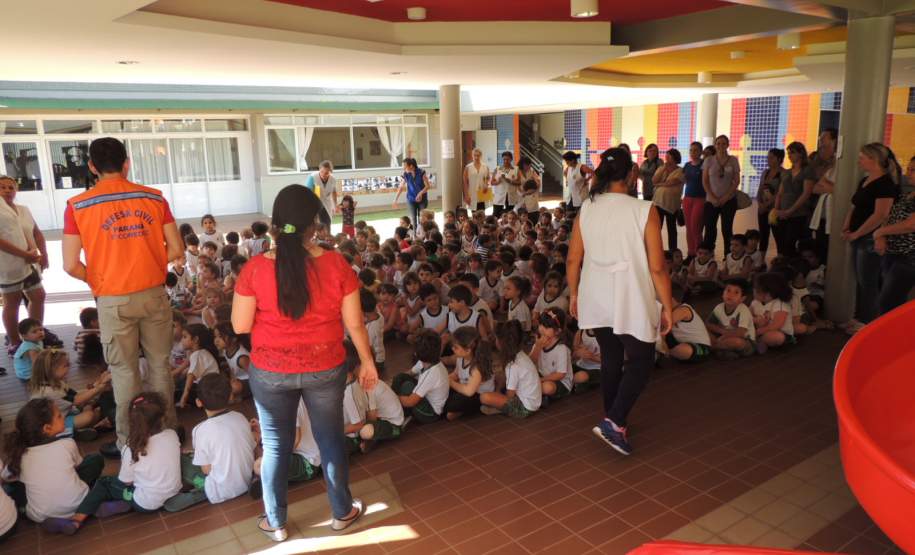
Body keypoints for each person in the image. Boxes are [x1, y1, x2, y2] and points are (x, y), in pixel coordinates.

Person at [232, 184, 378, 542]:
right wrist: (367, 361)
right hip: (325, 366)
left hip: (270, 371)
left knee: (276, 445)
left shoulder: (254, 269)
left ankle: (275, 522)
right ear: (315, 223)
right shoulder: (336, 263)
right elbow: (355, 323)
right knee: (330, 440)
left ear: (276, 223)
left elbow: (239, 325)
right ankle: (342, 512)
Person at [62, 137, 183, 459]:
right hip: (154, 294)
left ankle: (130, 441)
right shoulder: (154, 198)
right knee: (159, 365)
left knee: (124, 372)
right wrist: (152, 267)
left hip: (112, 300)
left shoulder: (78, 206)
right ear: (127, 162)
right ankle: (166, 430)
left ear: (91, 166)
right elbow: (177, 249)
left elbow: (71, 265)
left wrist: (102, 278)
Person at [566, 147, 673, 456]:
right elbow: (657, 267)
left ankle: (614, 416)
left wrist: (574, 294)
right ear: (632, 175)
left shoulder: (587, 207)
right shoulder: (644, 209)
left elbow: (573, 259)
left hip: (596, 292)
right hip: (630, 294)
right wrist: (667, 306)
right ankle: (615, 420)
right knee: (641, 359)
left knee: (612, 356)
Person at [41, 392, 183, 535]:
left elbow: (125, 482)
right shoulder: (171, 434)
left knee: (105, 483)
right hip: (173, 491)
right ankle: (122, 504)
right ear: (163, 416)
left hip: (145, 503)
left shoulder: (131, 449)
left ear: (132, 421)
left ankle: (77, 520)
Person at [1, 399, 105, 529]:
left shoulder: (19, 455)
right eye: (59, 416)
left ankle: (35, 513)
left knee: (11, 487)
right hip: (81, 503)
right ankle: (90, 508)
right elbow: (78, 466)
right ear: (47, 428)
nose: (63, 417)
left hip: (40, 516)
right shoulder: (67, 444)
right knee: (95, 460)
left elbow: (4, 477)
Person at [169, 373, 256, 511]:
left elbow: (206, 469)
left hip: (219, 490)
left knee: (180, 460)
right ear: (231, 396)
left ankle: (201, 490)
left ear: (198, 402)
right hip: (246, 481)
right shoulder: (241, 417)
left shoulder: (200, 430)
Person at [842, 143, 901, 332]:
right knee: (860, 279)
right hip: (858, 235)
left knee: (868, 281)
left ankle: (867, 323)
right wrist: (847, 226)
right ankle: (859, 317)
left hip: (869, 238)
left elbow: (881, 215)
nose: (859, 161)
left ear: (873, 159)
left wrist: (858, 233)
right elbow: (855, 206)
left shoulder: (885, 184)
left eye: (862, 157)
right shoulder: (865, 180)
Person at [0, 175, 48, 357]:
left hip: (30, 265)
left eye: (10, 187)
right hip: (9, 266)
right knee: (12, 303)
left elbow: (37, 233)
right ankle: (14, 342)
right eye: (2, 187)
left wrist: (44, 254)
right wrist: (24, 255)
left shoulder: (23, 209)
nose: (7, 191)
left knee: (38, 296)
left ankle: (33, 335)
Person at [479, 320, 541, 417]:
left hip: (525, 407)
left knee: (484, 397)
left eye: (496, 339)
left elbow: (510, 395)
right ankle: (498, 398)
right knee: (499, 377)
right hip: (532, 401)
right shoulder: (520, 355)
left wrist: (498, 397)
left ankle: (500, 409)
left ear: (500, 343)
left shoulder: (513, 366)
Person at [873, 181, 915, 315]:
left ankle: (889, 334)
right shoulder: (906, 195)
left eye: (913, 170)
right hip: (892, 252)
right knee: (889, 299)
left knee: (888, 301)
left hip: (909, 255)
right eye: (909, 168)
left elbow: (910, 225)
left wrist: (880, 232)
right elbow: (889, 217)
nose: (909, 172)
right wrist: (881, 236)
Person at [392, 329, 449, 424]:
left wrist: (393, 398)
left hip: (431, 414)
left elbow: (410, 401)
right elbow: (409, 373)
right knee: (400, 377)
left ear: (416, 354)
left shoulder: (432, 373)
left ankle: (397, 411)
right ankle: (395, 408)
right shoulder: (427, 361)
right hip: (424, 399)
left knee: (407, 386)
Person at [773, 142, 816, 257]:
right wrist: (776, 210)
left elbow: (806, 193)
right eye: (788, 153)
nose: (789, 155)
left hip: (798, 213)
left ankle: (792, 268)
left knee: (791, 242)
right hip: (783, 212)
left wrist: (790, 211)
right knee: (782, 243)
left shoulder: (807, 171)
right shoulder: (786, 172)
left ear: (801, 153)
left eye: (792, 152)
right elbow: (780, 193)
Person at [444, 326, 495, 420]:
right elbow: (456, 374)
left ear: (468, 350)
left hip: (477, 394)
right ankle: (454, 409)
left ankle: (478, 408)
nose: (452, 349)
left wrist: (450, 382)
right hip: (465, 389)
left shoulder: (477, 368)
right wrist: (445, 379)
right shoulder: (460, 359)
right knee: (443, 392)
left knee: (451, 405)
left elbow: (469, 391)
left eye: (456, 347)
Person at [702, 135, 741, 254]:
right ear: (715, 145)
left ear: (728, 145)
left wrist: (726, 197)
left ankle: (728, 255)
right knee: (709, 229)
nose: (721, 146)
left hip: (728, 200)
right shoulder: (709, 160)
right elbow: (705, 181)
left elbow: (736, 181)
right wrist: (712, 197)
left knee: (727, 229)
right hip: (711, 200)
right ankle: (707, 254)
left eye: (724, 143)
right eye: (718, 143)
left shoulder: (733, 160)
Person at [706, 278, 756, 359]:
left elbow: (741, 332)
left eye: (736, 292)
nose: (730, 295)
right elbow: (708, 324)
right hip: (723, 336)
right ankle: (723, 350)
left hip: (745, 341)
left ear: (742, 298)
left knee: (737, 342)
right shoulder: (719, 307)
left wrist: (724, 336)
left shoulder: (743, 310)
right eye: (728, 290)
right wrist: (722, 331)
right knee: (705, 331)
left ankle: (713, 347)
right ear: (723, 293)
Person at [531, 308, 573, 400]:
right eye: (541, 324)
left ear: (557, 331)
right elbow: (530, 362)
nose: (541, 328)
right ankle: (537, 394)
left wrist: (539, 380)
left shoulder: (562, 348)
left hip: (561, 382)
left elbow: (560, 375)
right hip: (542, 375)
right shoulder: (539, 342)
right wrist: (537, 347)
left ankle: (535, 393)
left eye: (546, 327)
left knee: (547, 387)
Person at [809, 128, 838, 259]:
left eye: (823, 139)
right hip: (821, 214)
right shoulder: (819, 162)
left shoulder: (840, 165)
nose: (820, 142)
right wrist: (831, 187)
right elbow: (815, 188)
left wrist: (829, 186)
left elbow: (842, 191)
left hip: (836, 217)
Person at [750, 272, 795, 354]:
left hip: (781, 333)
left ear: (767, 293)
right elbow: (748, 315)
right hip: (761, 331)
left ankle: (757, 341)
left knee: (777, 337)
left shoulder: (780, 304)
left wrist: (758, 331)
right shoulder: (755, 302)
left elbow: (777, 325)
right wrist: (755, 319)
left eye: (756, 289)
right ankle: (758, 342)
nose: (753, 290)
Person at [652, 148, 686, 251]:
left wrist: (659, 185)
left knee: (671, 228)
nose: (666, 158)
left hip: (671, 204)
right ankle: (656, 250)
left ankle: (673, 250)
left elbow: (673, 182)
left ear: (675, 157)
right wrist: (663, 169)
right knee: (657, 228)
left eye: (669, 156)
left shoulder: (680, 170)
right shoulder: (662, 168)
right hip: (658, 202)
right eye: (666, 155)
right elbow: (654, 180)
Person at [758, 148, 787, 258]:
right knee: (763, 234)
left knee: (778, 234)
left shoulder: (784, 173)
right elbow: (760, 189)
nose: (768, 159)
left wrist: (767, 205)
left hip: (775, 209)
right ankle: (760, 260)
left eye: (771, 157)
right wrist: (760, 204)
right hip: (763, 208)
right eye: (768, 157)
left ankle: (780, 258)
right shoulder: (765, 172)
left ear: (779, 159)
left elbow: (780, 193)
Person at [682, 142, 706, 260]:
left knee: (695, 227)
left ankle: (699, 254)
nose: (693, 152)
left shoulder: (704, 164)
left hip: (700, 199)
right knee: (688, 227)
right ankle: (691, 253)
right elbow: (684, 181)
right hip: (687, 198)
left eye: (696, 150)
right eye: (691, 150)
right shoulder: (687, 165)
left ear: (701, 152)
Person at [393, 158, 431, 230]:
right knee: (413, 219)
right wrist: (395, 200)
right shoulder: (406, 174)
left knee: (422, 218)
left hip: (422, 199)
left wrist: (420, 193)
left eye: (405, 166)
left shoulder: (421, 172)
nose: (403, 168)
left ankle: (422, 234)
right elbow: (401, 187)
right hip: (411, 199)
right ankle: (414, 236)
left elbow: (428, 186)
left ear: (411, 166)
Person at [562, 151, 593, 216]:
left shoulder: (582, 167)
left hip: (581, 196)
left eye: (567, 161)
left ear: (572, 160)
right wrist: (567, 180)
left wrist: (587, 180)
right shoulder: (568, 168)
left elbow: (594, 173)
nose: (566, 163)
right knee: (569, 215)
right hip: (571, 196)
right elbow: (565, 173)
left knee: (580, 216)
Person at [462, 148, 491, 212]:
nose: (476, 157)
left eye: (478, 155)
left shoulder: (485, 166)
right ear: (472, 156)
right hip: (472, 193)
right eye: (474, 155)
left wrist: (486, 185)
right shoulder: (468, 167)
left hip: (482, 192)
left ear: (481, 156)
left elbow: (488, 178)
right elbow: (465, 182)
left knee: (482, 212)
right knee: (474, 212)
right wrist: (466, 195)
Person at [490, 151, 517, 217]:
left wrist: (509, 180)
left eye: (507, 159)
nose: (505, 161)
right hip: (499, 196)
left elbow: (519, 182)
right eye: (504, 159)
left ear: (511, 159)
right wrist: (498, 182)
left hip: (510, 196)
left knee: (510, 215)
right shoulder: (497, 169)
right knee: (496, 215)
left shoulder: (516, 169)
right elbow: (492, 182)